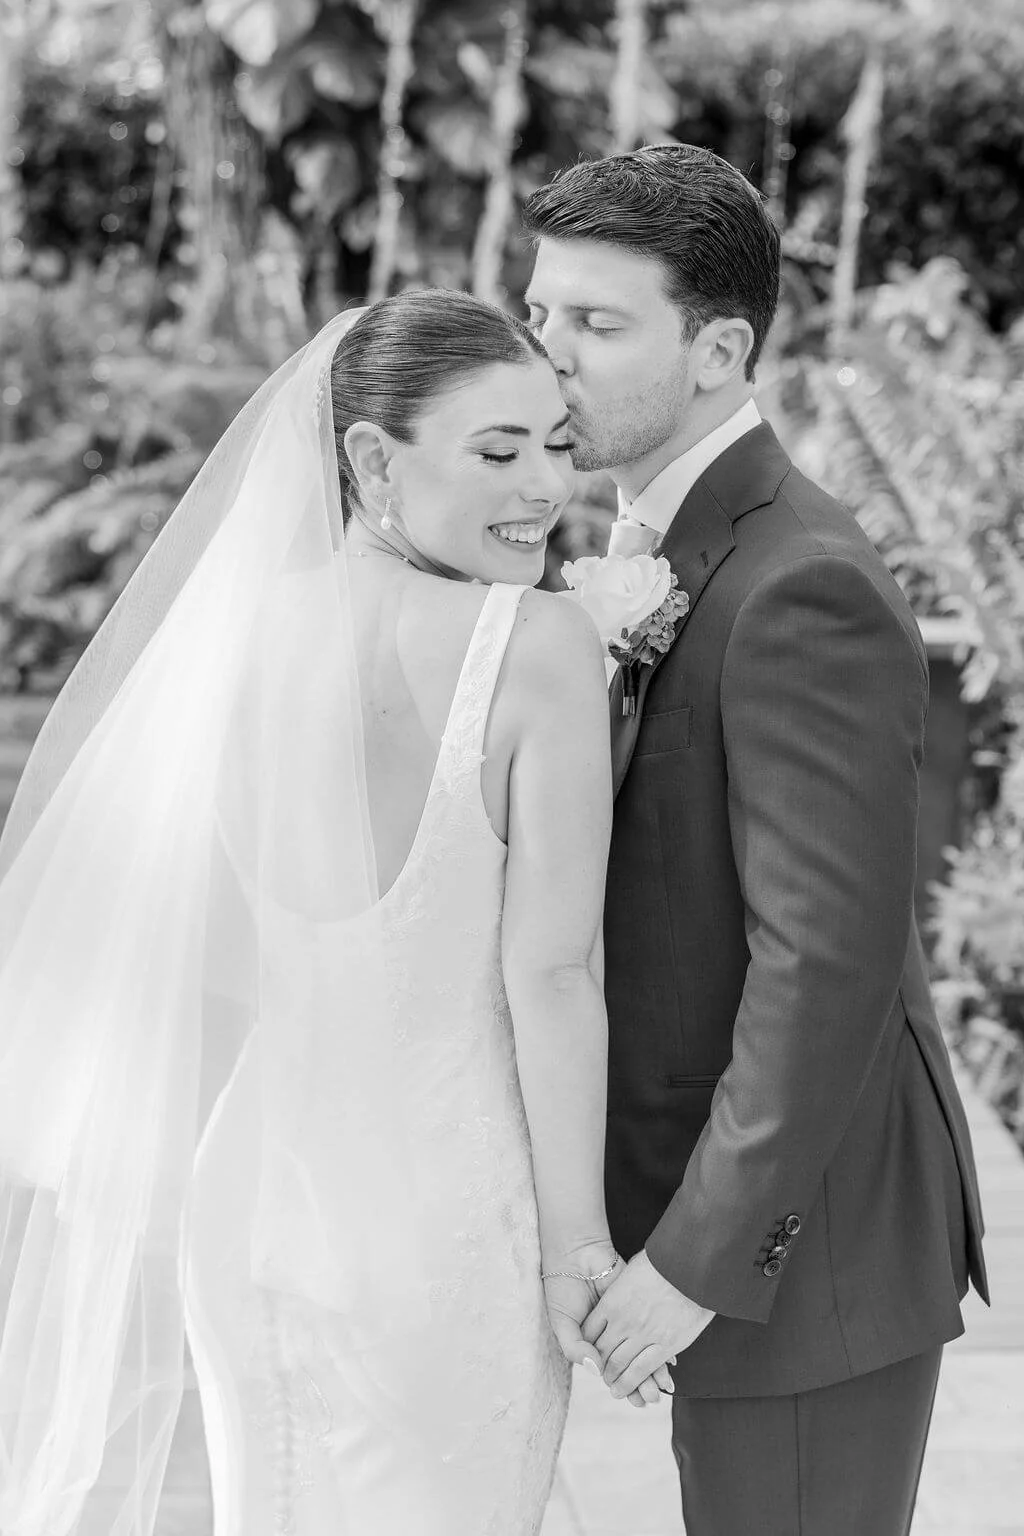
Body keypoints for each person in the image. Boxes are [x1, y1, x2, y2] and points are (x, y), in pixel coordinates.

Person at [0, 290, 669, 1536]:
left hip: (251, 1207)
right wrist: (578, 1252)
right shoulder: (534, 647)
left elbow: (197, 951)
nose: (543, 487)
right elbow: (552, 976)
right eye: (496, 450)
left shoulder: (231, 641)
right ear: (368, 458)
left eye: (555, 445)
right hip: (442, 1225)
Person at [522, 143, 989, 1536]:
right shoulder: (622, 546)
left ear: (721, 348)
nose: (549, 359)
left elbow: (824, 966)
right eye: (542, 315)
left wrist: (696, 1261)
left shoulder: (805, 586)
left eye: (597, 327)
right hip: (693, 1195)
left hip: (808, 1248)